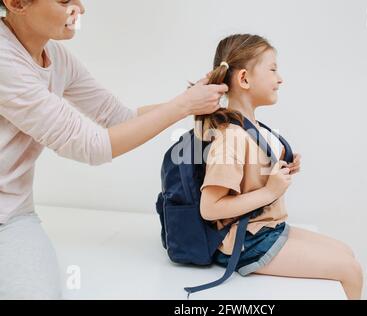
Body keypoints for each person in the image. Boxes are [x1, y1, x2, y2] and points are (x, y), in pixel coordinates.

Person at [0, 0, 227, 299]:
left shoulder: (56, 57)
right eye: (65, 1)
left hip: (13, 217)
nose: (79, 9)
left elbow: (117, 118)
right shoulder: (5, 62)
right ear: (16, 3)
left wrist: (189, 101)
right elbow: (91, 146)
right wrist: (184, 105)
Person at [198, 34, 364, 300]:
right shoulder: (231, 136)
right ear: (244, 79)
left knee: (347, 253)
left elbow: (248, 178)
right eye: (273, 69)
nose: (280, 78)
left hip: (267, 228)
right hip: (247, 242)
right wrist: (269, 192)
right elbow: (210, 208)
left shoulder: (250, 128)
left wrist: (280, 168)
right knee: (351, 270)